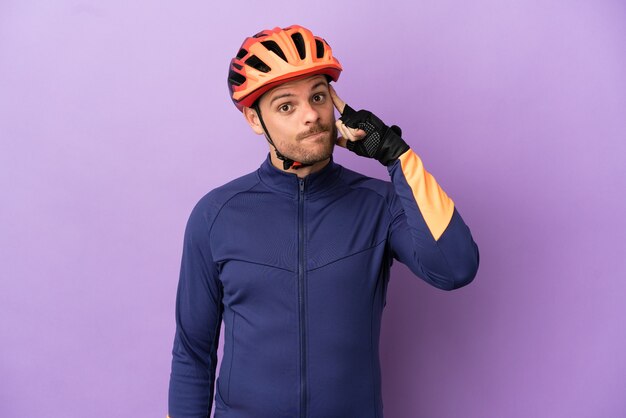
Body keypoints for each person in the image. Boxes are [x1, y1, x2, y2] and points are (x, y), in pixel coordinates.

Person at [167, 24, 479, 418]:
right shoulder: (215, 215)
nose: (311, 116)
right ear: (253, 119)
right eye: (286, 106)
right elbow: (193, 352)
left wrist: (397, 156)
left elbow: (454, 268)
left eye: (318, 96)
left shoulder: (379, 204)